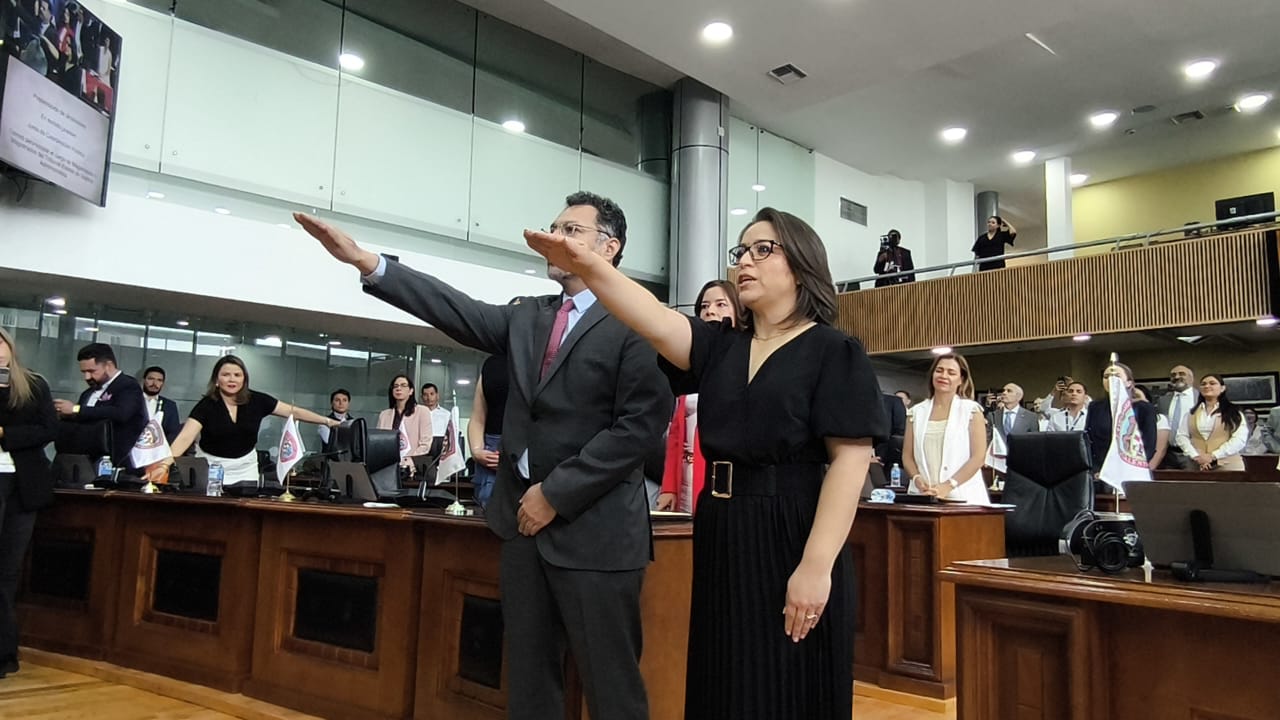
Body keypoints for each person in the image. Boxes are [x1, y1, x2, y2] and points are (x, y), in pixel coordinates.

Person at [298, 190, 673, 720]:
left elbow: (638, 429)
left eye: (571, 230)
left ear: (609, 247)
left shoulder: (640, 319)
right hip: (522, 531)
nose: (554, 238)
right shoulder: (529, 315)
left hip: (597, 533)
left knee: (612, 687)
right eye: (553, 227)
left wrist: (555, 494)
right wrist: (368, 262)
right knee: (529, 681)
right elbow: (457, 309)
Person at [523, 205, 886, 720]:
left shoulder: (833, 350)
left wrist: (816, 566)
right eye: (742, 251)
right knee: (725, 679)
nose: (745, 261)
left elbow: (850, 461)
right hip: (724, 525)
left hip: (793, 528)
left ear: (802, 265)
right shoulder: (722, 347)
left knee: (788, 684)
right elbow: (649, 315)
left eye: (763, 250)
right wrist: (587, 263)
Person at [164, 356, 339, 486]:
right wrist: (164, 464)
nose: (232, 379)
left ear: (244, 379)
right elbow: (185, 437)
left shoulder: (257, 400)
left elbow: (294, 411)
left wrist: (326, 421)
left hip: (245, 468)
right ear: (217, 380)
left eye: (237, 375)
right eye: (226, 375)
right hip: (211, 467)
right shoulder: (206, 405)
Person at [656, 279, 742, 514]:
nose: (710, 311)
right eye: (704, 306)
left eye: (721, 304)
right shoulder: (687, 365)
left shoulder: (743, 360)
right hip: (685, 473)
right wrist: (668, 487)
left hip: (720, 478)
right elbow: (675, 434)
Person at [0, 328, 57, 679]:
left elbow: (49, 428)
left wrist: (5, 434)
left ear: (10, 346)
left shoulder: (34, 384)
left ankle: (5, 653)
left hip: (23, 484)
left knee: (8, 570)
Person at [903, 353, 989, 503]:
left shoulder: (971, 410)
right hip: (923, 495)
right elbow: (907, 456)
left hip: (963, 496)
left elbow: (978, 457)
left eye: (951, 372)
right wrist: (916, 478)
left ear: (961, 380)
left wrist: (949, 485)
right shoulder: (916, 412)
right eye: (939, 370)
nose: (943, 376)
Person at [53, 343, 147, 471]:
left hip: (119, 461)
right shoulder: (88, 393)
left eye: (92, 371)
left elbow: (121, 413)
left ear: (108, 365)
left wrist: (76, 409)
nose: (87, 377)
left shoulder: (127, 385)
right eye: (84, 372)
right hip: (87, 462)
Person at [1084, 363, 1158, 474]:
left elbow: (1149, 444)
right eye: (1106, 376)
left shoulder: (1144, 408)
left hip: (1133, 469)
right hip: (1100, 470)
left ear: (1129, 382)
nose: (1110, 379)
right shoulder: (1095, 407)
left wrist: (1127, 468)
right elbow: (1089, 440)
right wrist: (1097, 469)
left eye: (1116, 376)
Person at [1174, 374, 1247, 471]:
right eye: (1203, 384)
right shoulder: (1191, 413)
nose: (1207, 386)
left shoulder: (1233, 412)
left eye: (1212, 383)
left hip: (1228, 465)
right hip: (1196, 465)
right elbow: (1181, 436)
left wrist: (1213, 456)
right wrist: (1196, 455)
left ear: (1222, 388)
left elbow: (1239, 439)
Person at [468, 354, 508, 509]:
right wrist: (476, 451)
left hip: (524, 451)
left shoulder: (539, 360)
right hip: (489, 449)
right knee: (485, 507)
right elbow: (477, 417)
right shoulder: (492, 364)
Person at [377, 374, 433, 472]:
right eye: (395, 386)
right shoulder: (384, 415)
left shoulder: (422, 411)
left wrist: (406, 461)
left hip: (412, 467)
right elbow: (378, 443)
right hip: (388, 467)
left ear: (411, 391)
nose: (399, 388)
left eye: (403, 385)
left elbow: (425, 444)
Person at [1155, 365, 1197, 469]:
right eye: (1173, 375)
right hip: (1167, 454)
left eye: (1182, 374)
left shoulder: (1201, 399)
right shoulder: (1163, 401)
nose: (1177, 377)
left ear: (1191, 378)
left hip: (1193, 453)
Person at [141, 366, 181, 445]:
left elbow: (173, 432)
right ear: (144, 380)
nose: (154, 383)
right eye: (151, 379)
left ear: (163, 384)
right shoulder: (131, 401)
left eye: (159, 380)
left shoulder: (170, 406)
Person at [1132, 386, 1170, 469]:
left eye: (1136, 397)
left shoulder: (1160, 419)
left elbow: (1160, 450)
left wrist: (1147, 469)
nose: (1134, 400)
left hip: (1148, 467)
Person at [419, 382, 452, 457]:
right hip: (421, 448)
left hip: (440, 450)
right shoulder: (417, 414)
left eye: (432, 394)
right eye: (425, 395)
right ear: (422, 397)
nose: (429, 397)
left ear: (437, 395)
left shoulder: (447, 415)